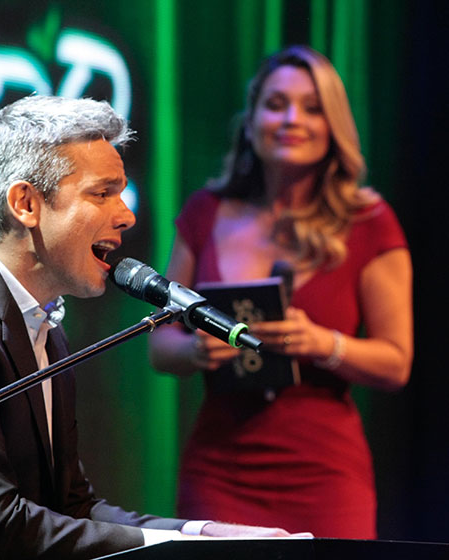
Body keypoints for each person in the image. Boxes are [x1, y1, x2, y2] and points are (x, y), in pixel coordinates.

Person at [0, 95, 308, 560]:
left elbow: (70, 507)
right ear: (26, 204)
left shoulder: (43, 324)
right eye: (103, 193)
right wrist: (186, 550)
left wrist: (202, 533)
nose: (127, 215)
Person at [149, 46, 413, 539]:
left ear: (333, 126)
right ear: (250, 122)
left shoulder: (370, 222)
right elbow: (160, 344)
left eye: (312, 108)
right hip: (219, 473)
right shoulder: (205, 212)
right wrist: (195, 350)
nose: (292, 119)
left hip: (326, 479)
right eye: (275, 105)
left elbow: (396, 363)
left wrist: (323, 343)